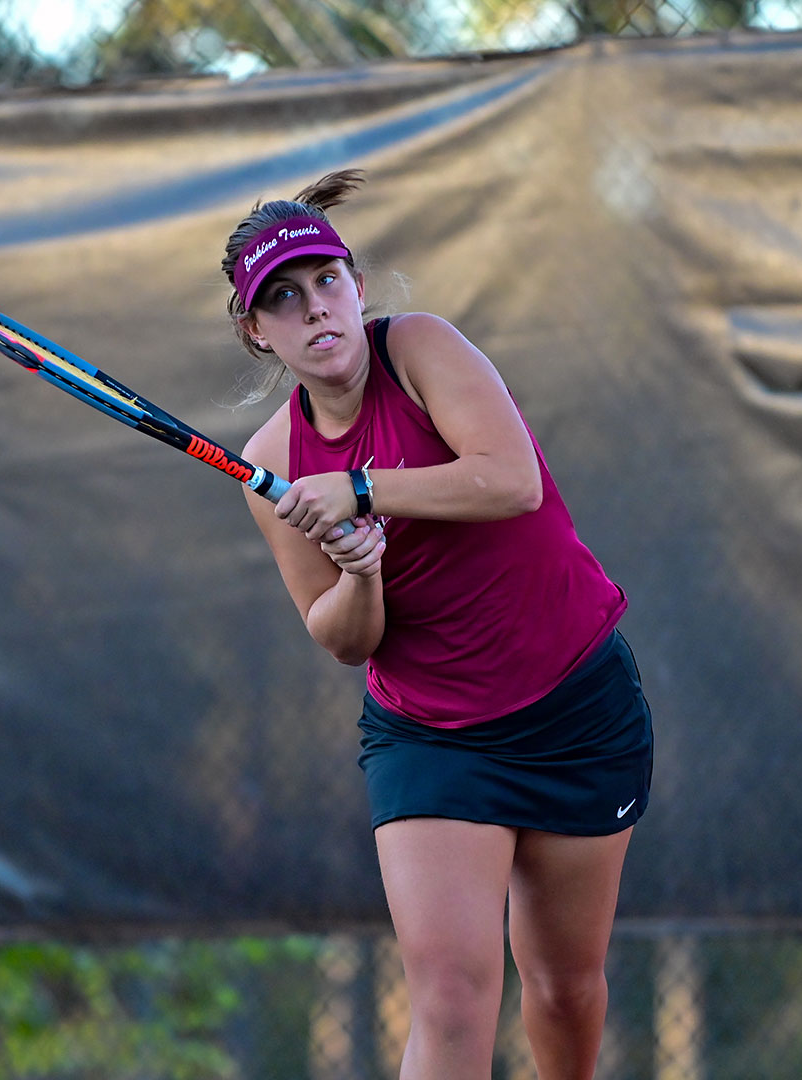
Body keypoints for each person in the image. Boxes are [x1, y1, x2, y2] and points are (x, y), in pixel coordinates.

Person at [222, 168, 653, 1080]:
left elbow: (510, 480)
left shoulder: (419, 349)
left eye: (326, 281)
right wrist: (362, 571)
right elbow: (340, 636)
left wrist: (364, 488)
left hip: (576, 704)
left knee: (565, 988)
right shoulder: (272, 462)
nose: (315, 310)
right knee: (452, 999)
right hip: (432, 736)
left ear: (357, 283)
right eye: (284, 300)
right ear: (257, 331)